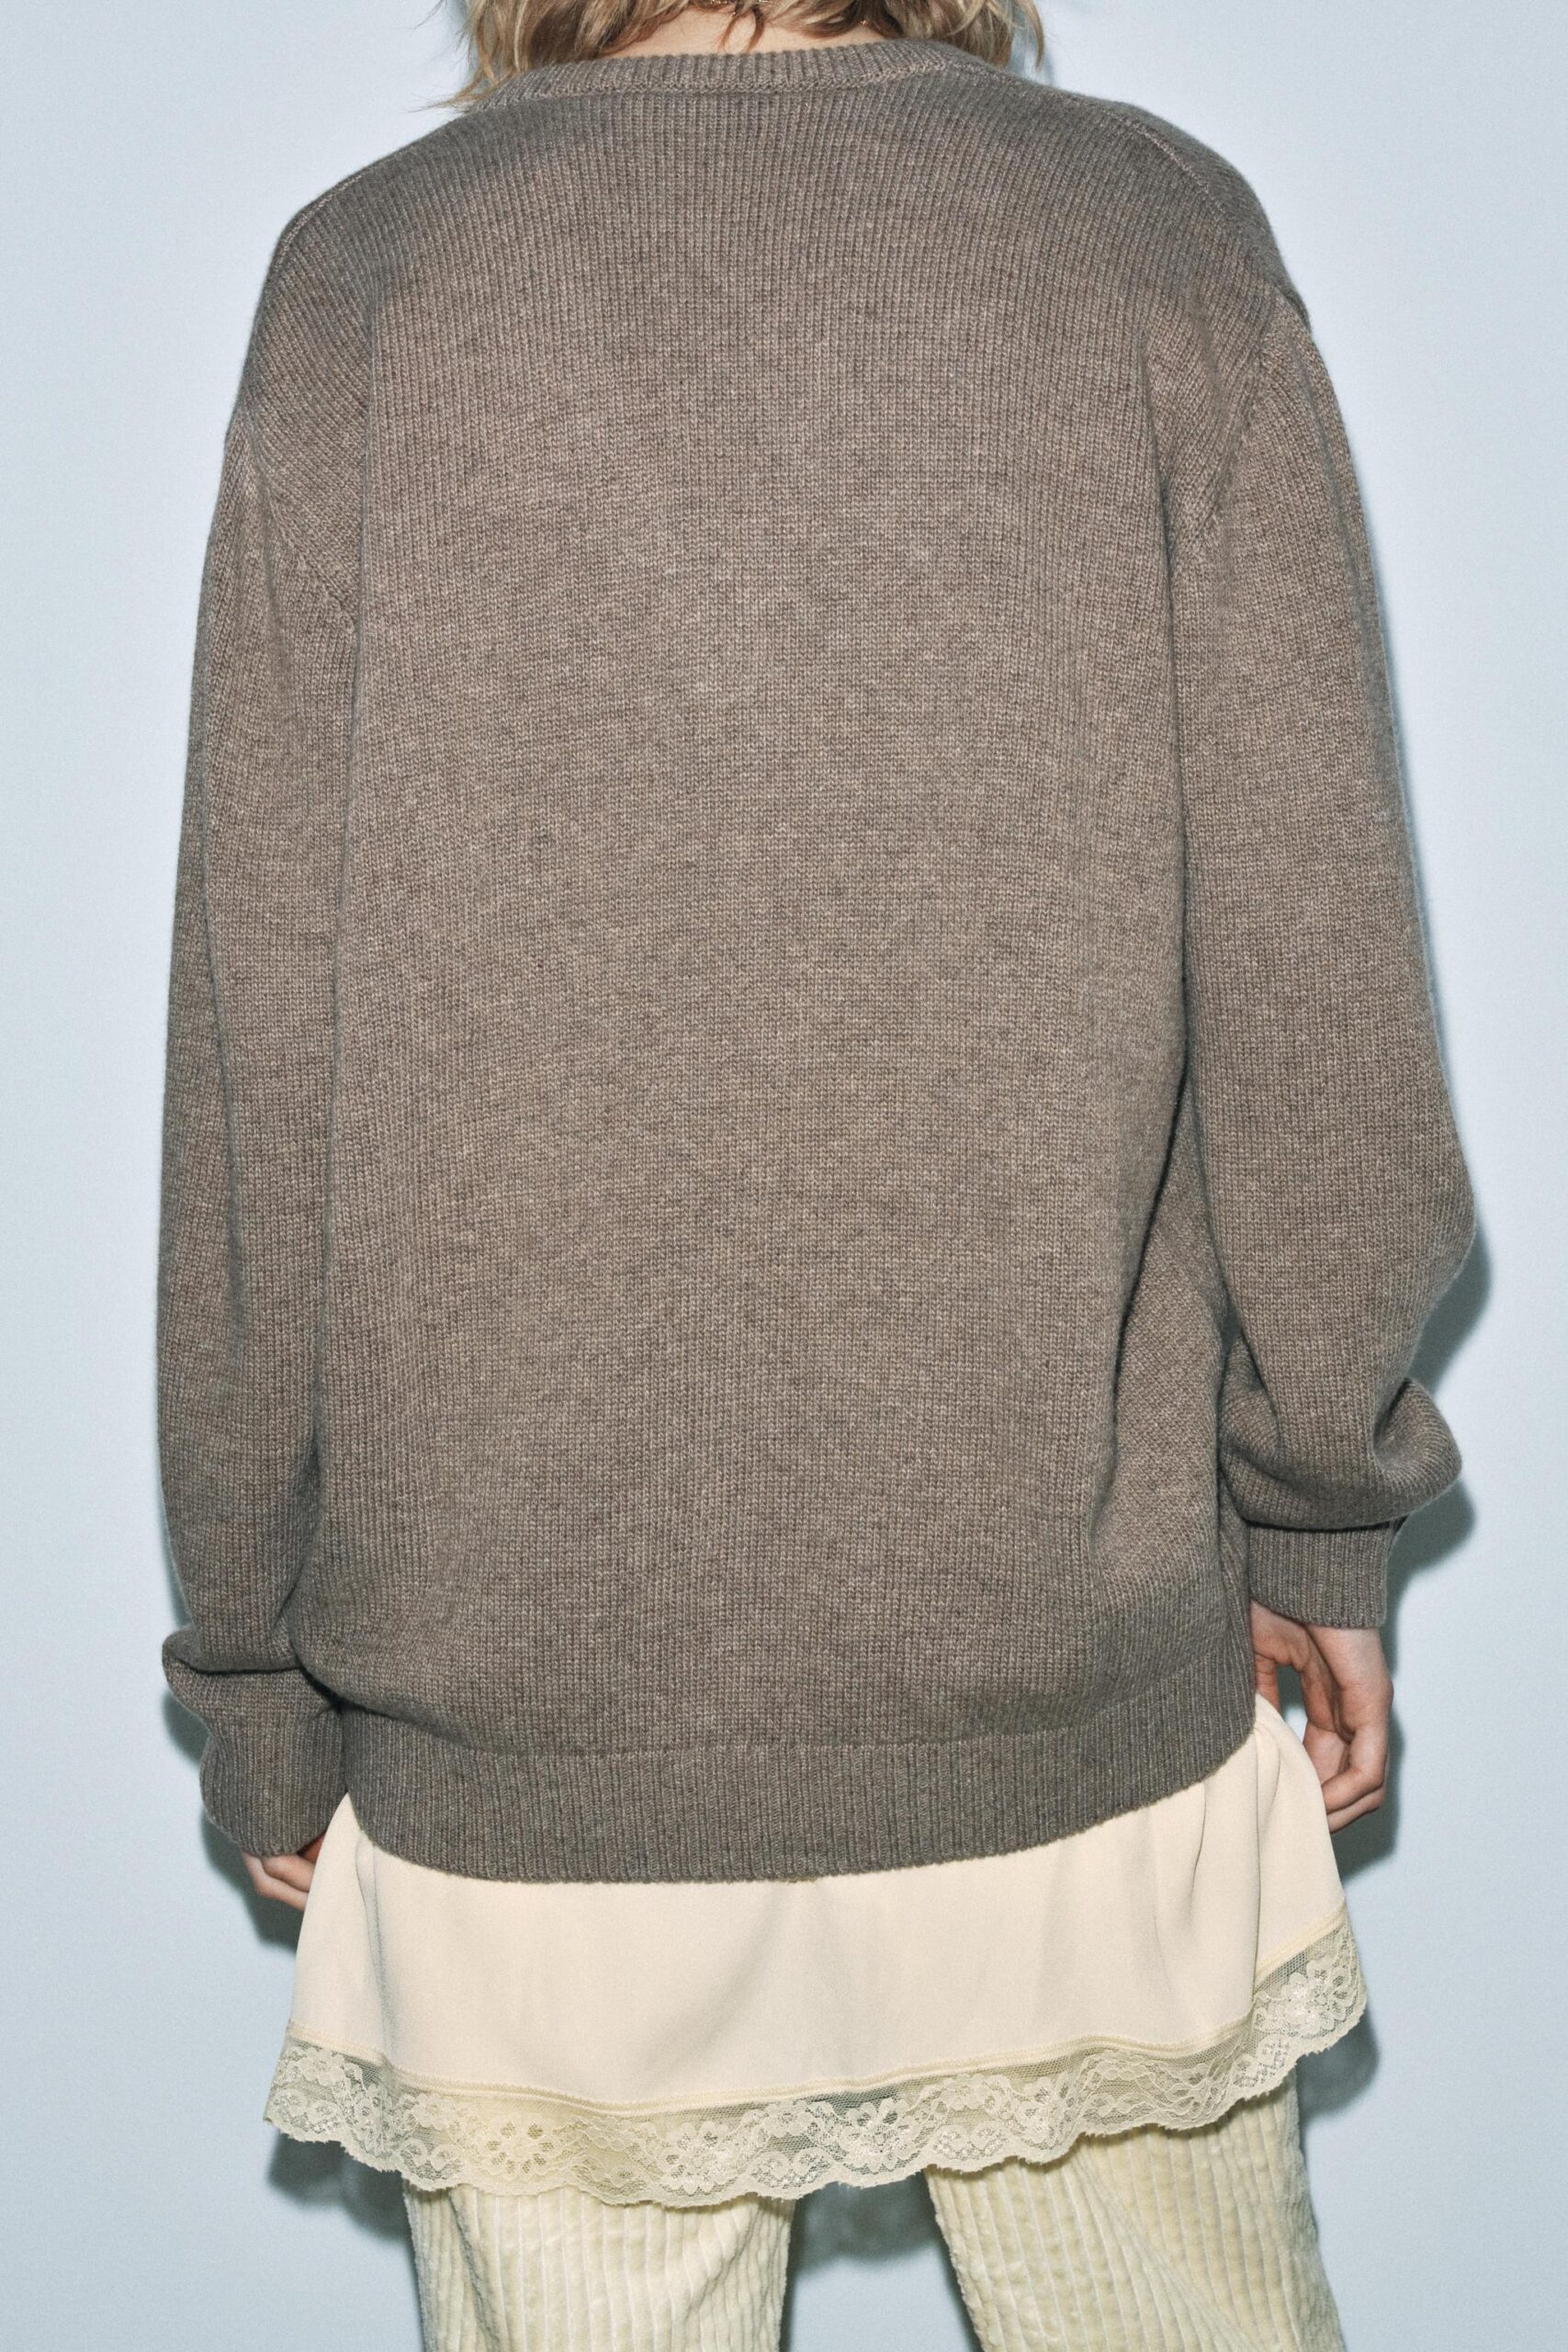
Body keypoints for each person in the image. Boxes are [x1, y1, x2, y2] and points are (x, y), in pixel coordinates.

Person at [156, 3, 1475, 2346]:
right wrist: (1317, 1503)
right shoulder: (1146, 235)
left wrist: (256, 1651)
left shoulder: (373, 276)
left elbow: (266, 1055)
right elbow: (1314, 962)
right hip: (1066, 1675)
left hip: (524, 1708)